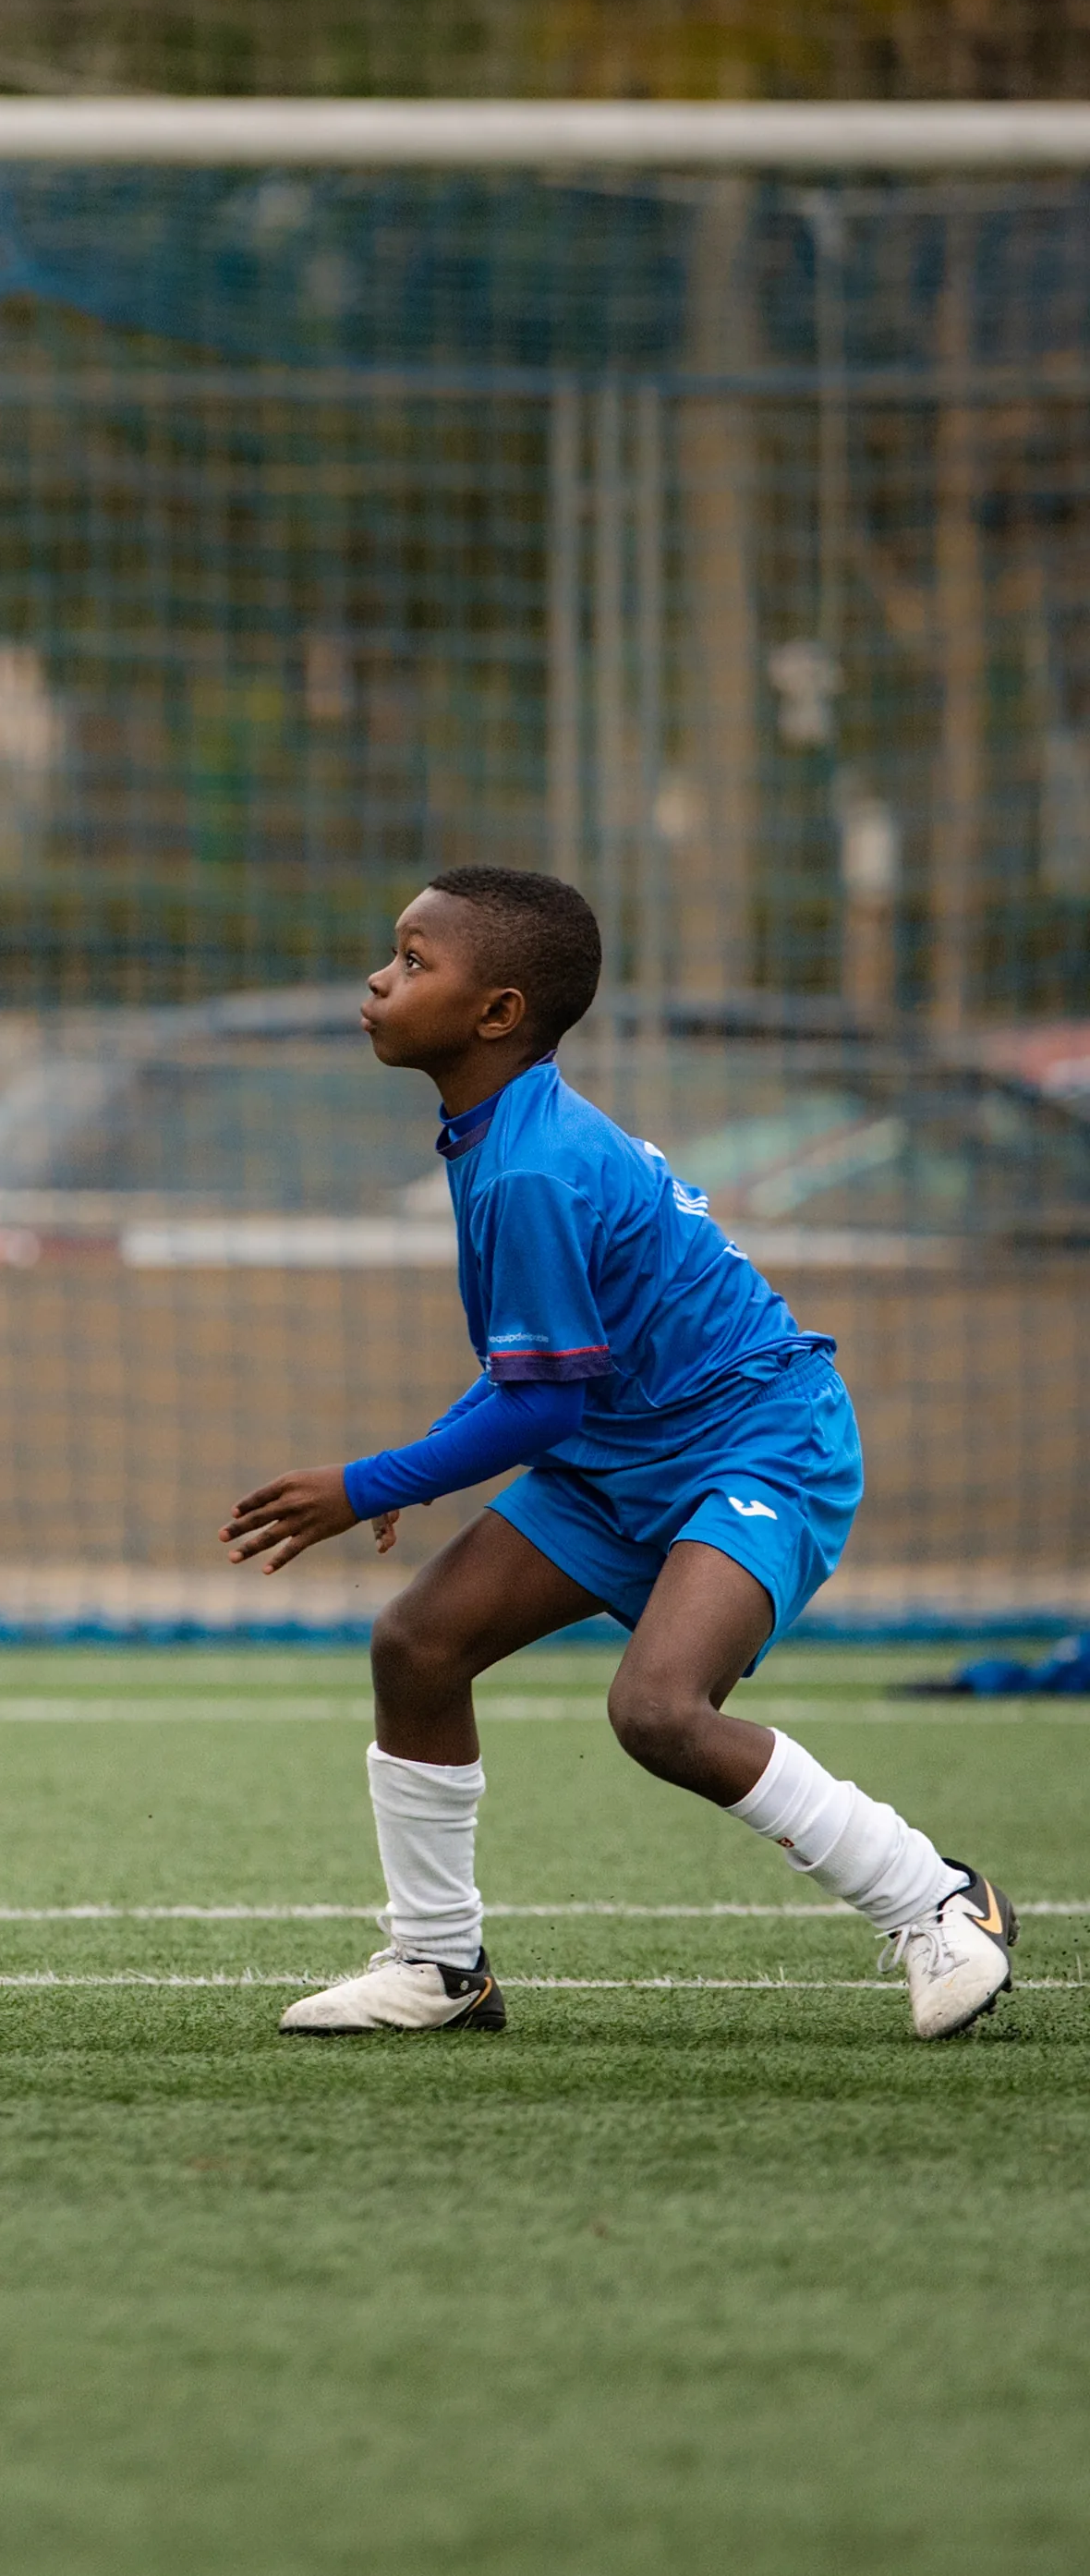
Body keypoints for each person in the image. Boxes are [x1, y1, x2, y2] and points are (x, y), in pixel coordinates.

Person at [222, 864, 1015, 2044]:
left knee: (658, 1708)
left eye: (413, 959)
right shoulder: (501, 1132)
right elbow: (553, 1370)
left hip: (758, 1437)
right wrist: (432, 1454)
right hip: (624, 1450)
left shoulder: (531, 1164)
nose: (380, 980)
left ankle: (939, 1902)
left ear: (497, 1013)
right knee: (419, 1644)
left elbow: (541, 1407)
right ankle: (440, 1967)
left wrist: (367, 1484)